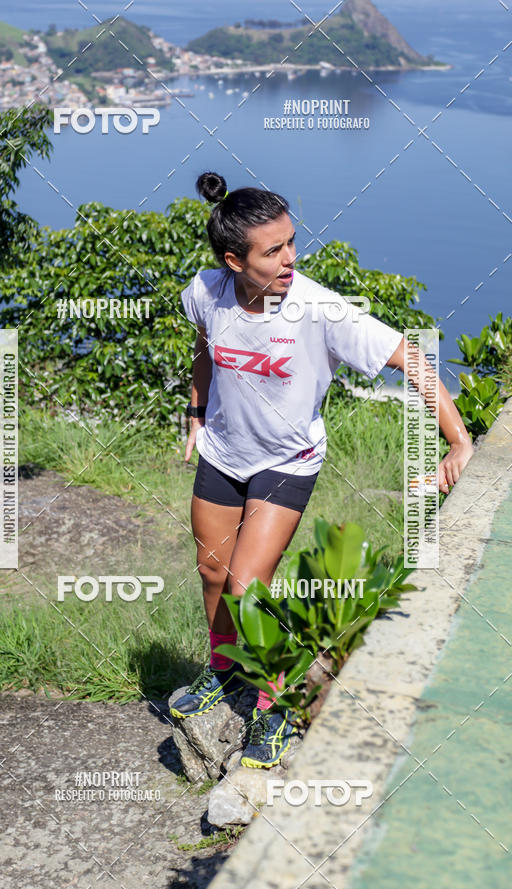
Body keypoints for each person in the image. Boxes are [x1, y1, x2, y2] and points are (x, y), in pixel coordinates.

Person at [169, 171, 474, 768]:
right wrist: (197, 411)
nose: (290, 258)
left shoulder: (319, 309)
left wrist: (458, 441)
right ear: (234, 260)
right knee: (211, 571)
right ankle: (226, 668)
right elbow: (205, 348)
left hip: (287, 461)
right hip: (224, 453)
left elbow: (408, 359)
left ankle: (273, 707)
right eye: (273, 250)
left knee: (247, 588)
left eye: (290, 242)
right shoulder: (206, 291)